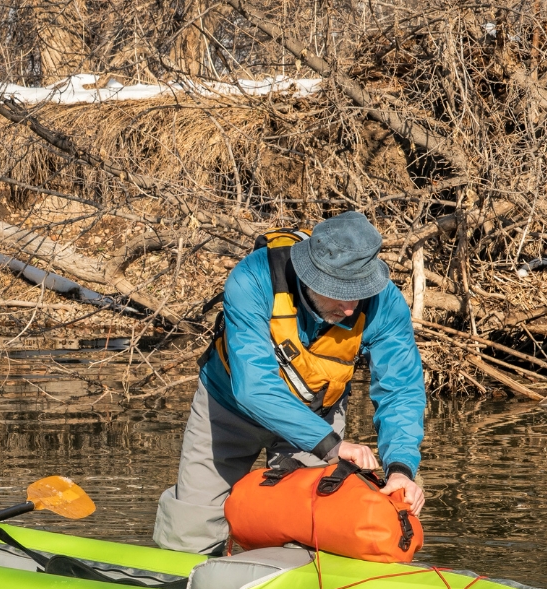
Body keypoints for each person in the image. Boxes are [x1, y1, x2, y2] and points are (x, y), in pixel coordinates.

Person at [153, 211, 427, 555]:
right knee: (189, 531)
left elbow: (401, 391)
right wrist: (331, 445)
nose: (349, 308)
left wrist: (401, 469)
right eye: (339, 293)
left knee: (313, 531)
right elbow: (253, 387)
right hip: (228, 408)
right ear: (309, 277)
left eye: (358, 293)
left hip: (317, 412)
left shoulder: (385, 304)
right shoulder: (253, 279)